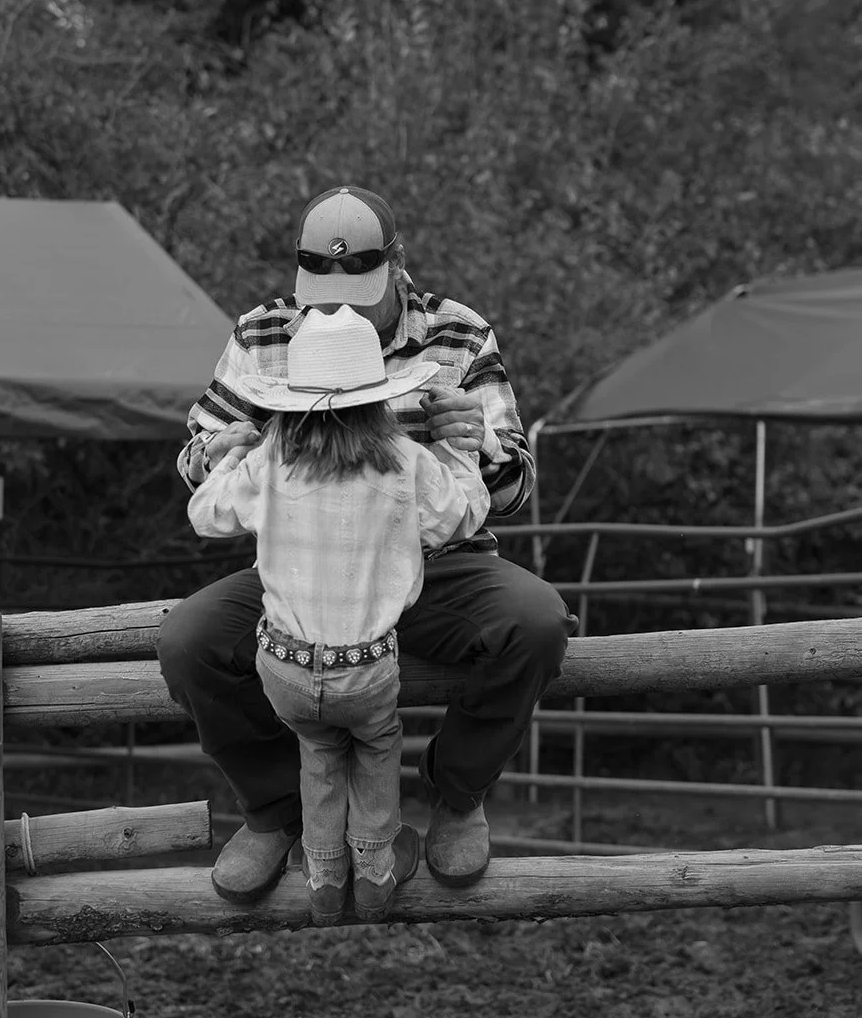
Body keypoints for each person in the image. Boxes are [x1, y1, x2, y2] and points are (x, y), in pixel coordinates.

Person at [159, 184, 578, 906]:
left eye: (359, 291)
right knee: (188, 640)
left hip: (441, 569)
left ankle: (456, 795)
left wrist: (474, 443)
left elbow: (512, 490)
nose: (340, 309)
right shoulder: (262, 332)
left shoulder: (459, 333)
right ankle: (272, 813)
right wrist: (223, 447)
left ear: (398, 264)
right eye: (324, 294)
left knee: (534, 622)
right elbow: (193, 458)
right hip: (305, 565)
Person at [187, 304, 490, 923]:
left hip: (285, 666)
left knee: (318, 751)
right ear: (381, 399)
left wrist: (223, 455)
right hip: (368, 668)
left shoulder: (269, 462)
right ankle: (376, 869)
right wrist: (461, 455)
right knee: (376, 747)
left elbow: (206, 515)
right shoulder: (407, 463)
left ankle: (324, 874)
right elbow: (462, 516)